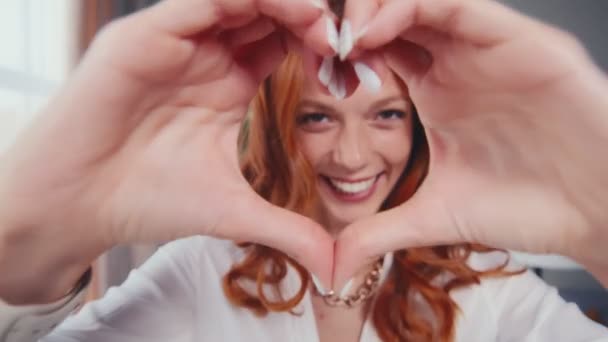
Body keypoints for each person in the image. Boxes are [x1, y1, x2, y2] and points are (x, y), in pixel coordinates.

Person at [0, 0, 607, 340]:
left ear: (419, 127)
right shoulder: (199, 269)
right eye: (317, 118)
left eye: (386, 114)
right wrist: (16, 244)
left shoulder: (486, 281)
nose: (351, 156)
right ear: (280, 129)